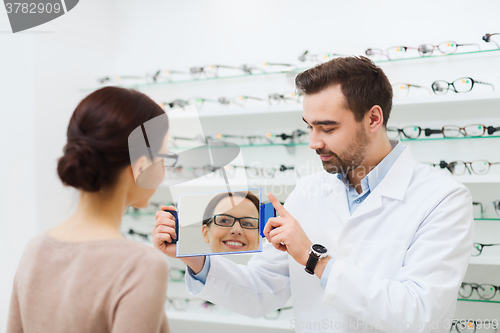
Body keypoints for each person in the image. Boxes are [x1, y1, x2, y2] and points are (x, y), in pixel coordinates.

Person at [153, 56, 474, 333]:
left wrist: (314, 258)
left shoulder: (442, 199)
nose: (313, 141)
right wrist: (195, 259)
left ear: (373, 119)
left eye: (328, 128)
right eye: (309, 126)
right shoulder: (309, 192)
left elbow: (418, 313)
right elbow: (264, 291)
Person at [7, 87, 171, 333]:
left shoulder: (36, 249)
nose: (164, 171)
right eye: (164, 159)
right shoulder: (141, 265)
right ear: (140, 167)